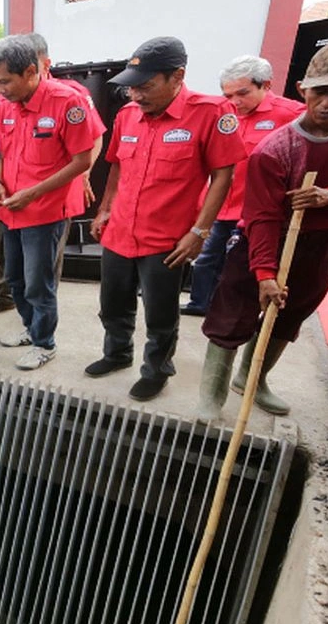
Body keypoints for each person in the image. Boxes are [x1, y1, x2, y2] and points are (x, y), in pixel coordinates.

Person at [198, 37, 328, 419]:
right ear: (304, 90)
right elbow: (263, 216)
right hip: (264, 236)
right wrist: (265, 274)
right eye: (320, 92)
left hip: (320, 239)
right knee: (232, 311)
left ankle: (252, 379)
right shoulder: (276, 149)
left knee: (292, 313)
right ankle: (211, 395)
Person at [87, 36, 247, 400]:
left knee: (160, 313)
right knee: (113, 303)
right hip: (120, 229)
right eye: (132, 88)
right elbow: (115, 168)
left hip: (167, 238)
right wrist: (106, 208)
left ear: (177, 76)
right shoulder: (128, 115)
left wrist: (200, 230)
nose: (136, 96)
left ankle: (156, 369)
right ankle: (117, 354)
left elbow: (224, 174)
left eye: (145, 87)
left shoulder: (210, 113)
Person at [0, 36, 104, 370]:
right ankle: (30, 328)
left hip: (45, 212)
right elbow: (4, 154)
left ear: (30, 72)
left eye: (5, 81)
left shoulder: (68, 102)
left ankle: (44, 343)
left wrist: (34, 193)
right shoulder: (4, 106)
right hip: (12, 208)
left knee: (39, 282)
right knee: (16, 279)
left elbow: (82, 160)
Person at [183, 55, 304, 316]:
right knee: (206, 259)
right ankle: (200, 303)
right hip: (219, 205)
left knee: (238, 265)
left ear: (266, 85)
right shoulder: (222, 113)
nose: (235, 101)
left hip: (255, 209)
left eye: (242, 93)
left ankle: (231, 311)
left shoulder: (291, 116)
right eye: (228, 95)